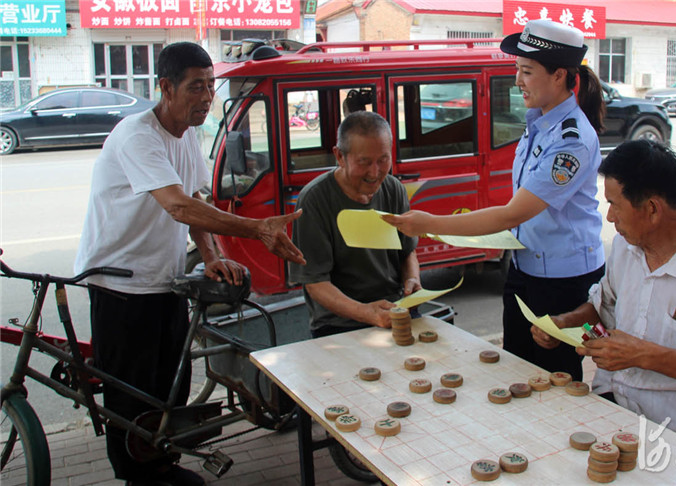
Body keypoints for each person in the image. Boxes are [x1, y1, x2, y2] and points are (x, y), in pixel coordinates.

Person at [74, 42, 305, 486]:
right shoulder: (137, 135)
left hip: (164, 281)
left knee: (170, 386)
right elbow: (178, 206)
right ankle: (139, 478)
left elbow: (197, 199)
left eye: (211, 87)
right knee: (130, 392)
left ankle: (162, 465)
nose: (206, 98)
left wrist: (214, 257)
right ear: (166, 87)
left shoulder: (186, 138)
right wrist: (256, 229)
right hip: (119, 284)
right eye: (196, 87)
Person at [383, 19, 606, 380]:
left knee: (556, 379)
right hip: (525, 269)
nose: (518, 81)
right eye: (517, 70)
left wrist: (429, 225)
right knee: (515, 371)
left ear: (560, 75)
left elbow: (510, 214)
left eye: (527, 71)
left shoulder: (571, 140)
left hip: (563, 283)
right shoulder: (538, 123)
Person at [537, 140, 676, 443]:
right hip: (612, 404)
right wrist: (566, 323)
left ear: (652, 209)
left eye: (615, 204)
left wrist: (643, 355)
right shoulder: (626, 247)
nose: (610, 217)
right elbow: (603, 307)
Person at [289, 111, 421, 337]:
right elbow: (315, 282)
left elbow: (408, 252)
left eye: (383, 160)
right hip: (339, 324)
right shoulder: (314, 199)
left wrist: (413, 280)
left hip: (393, 311)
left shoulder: (394, 189)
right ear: (339, 156)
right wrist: (367, 313)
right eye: (364, 162)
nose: (375, 172)